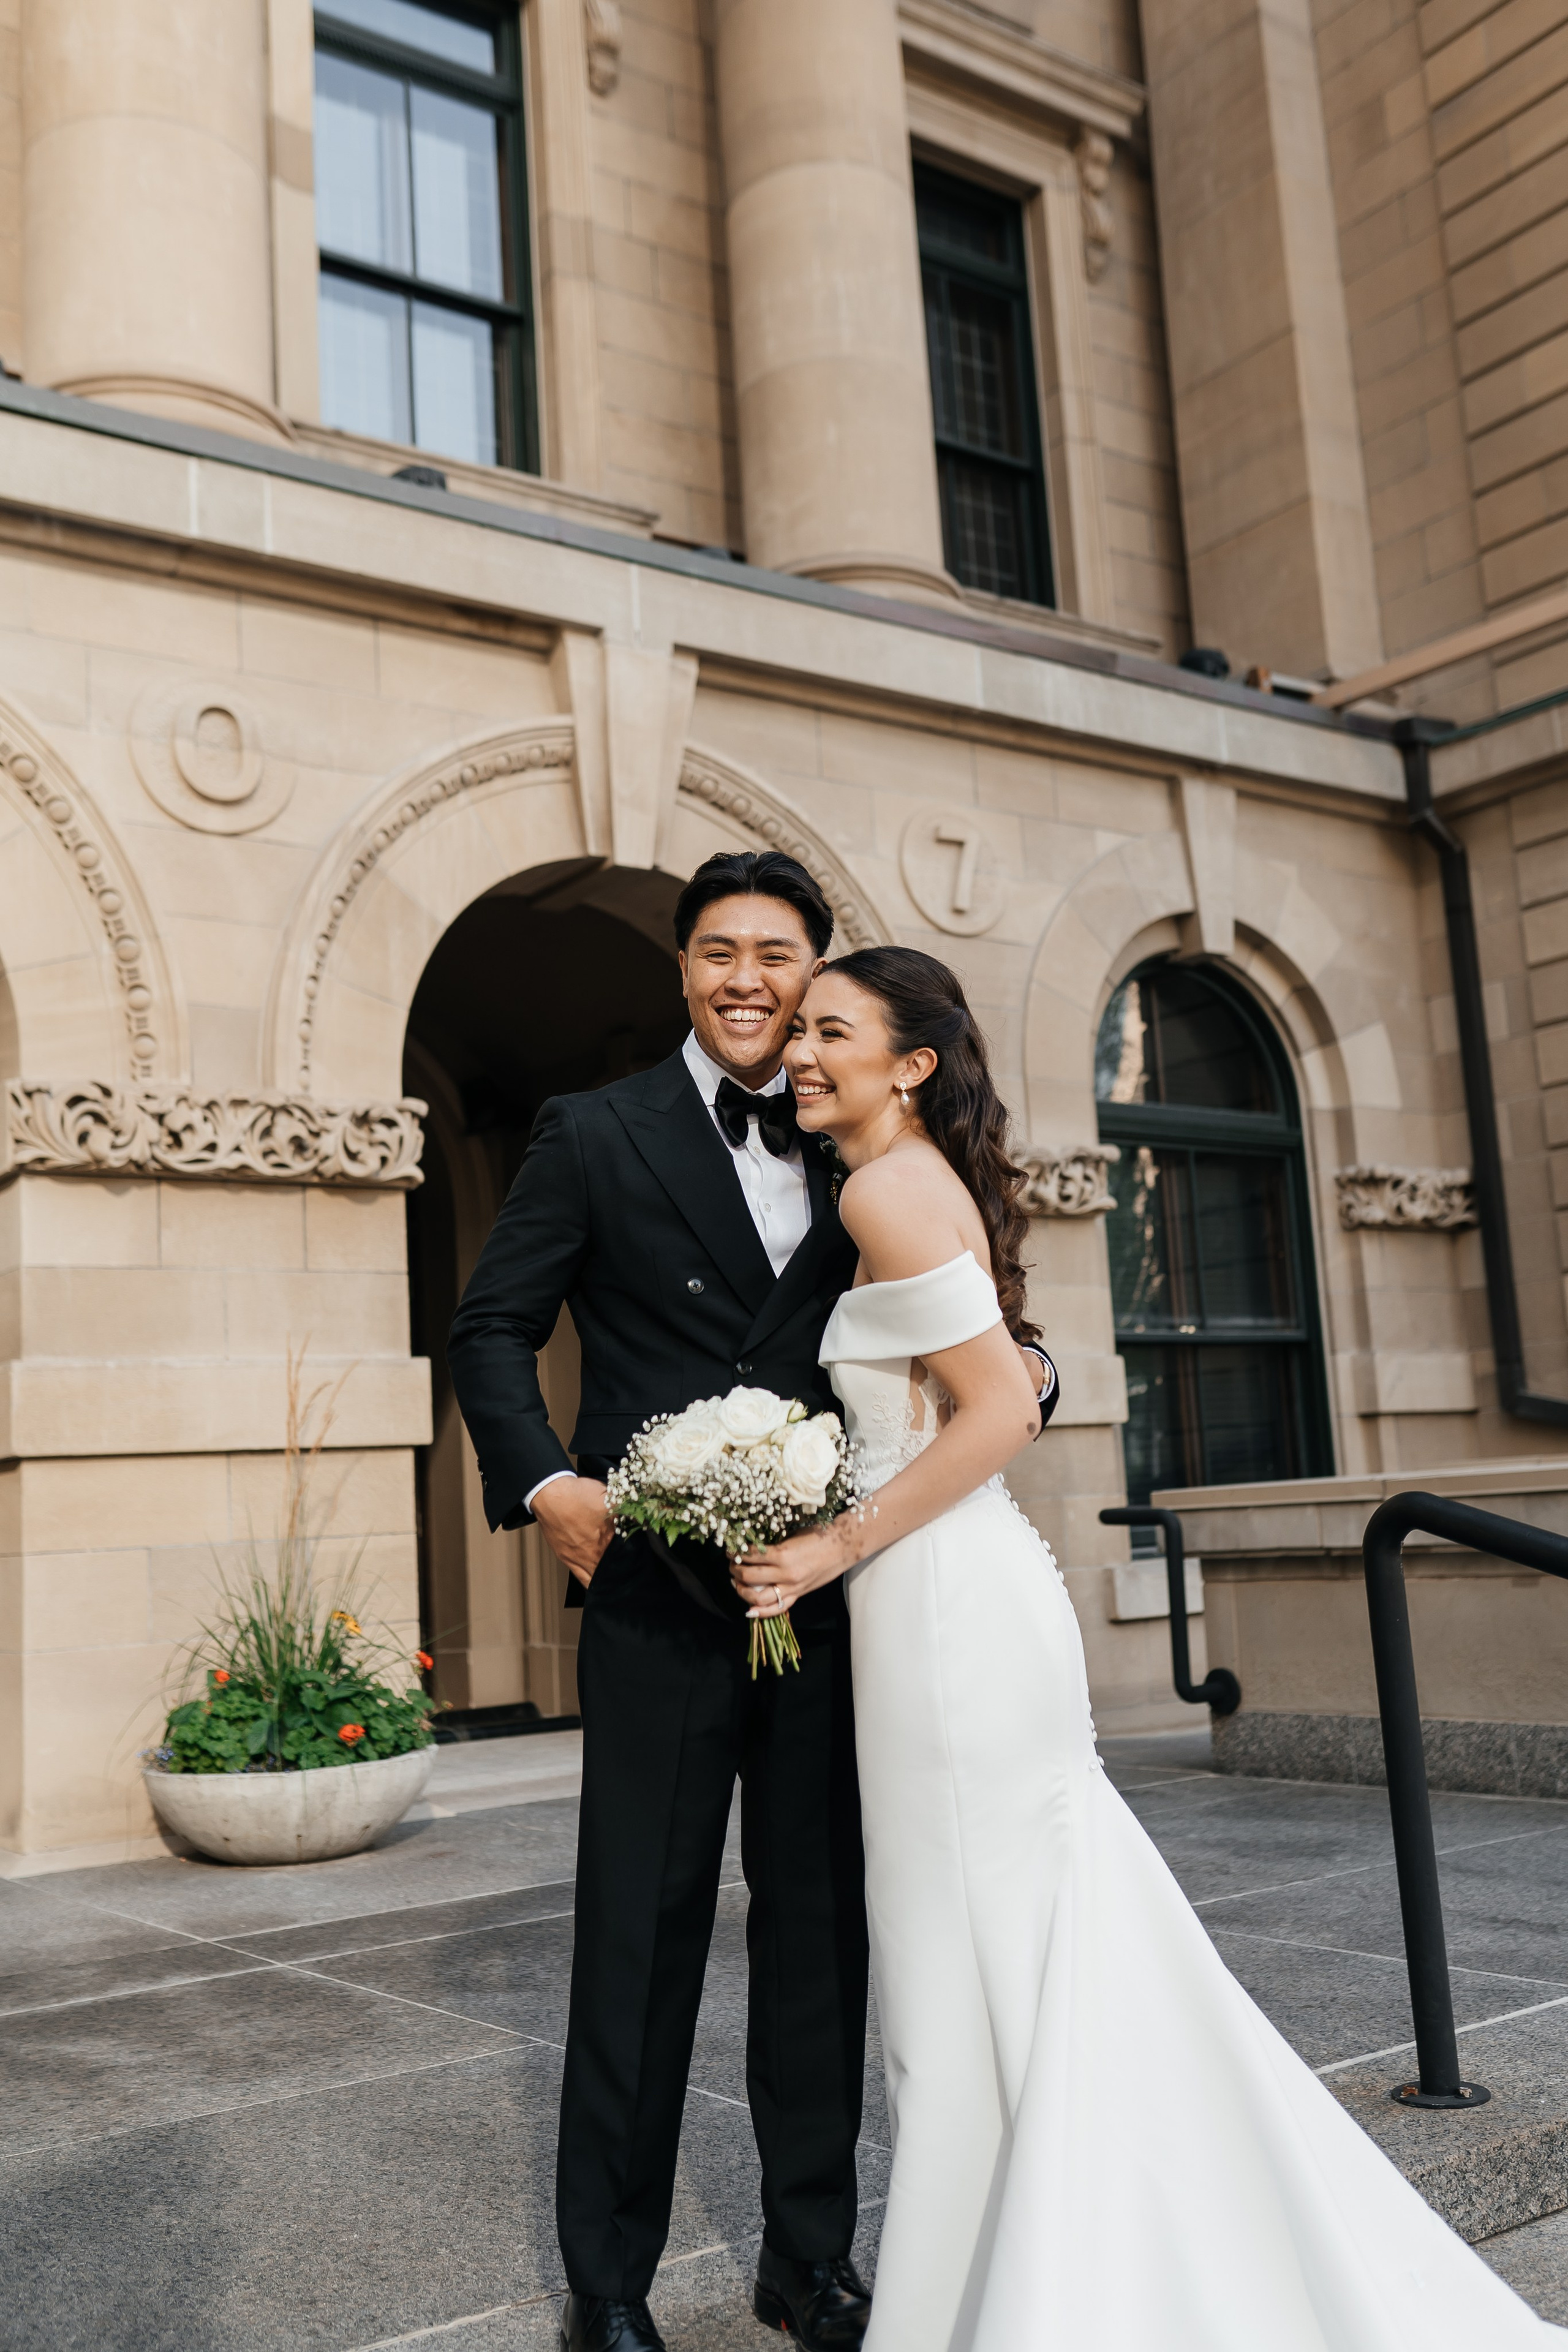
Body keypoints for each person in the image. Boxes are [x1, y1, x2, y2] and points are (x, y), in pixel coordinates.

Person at [733, 943, 1566, 2352]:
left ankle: (1014, 2289)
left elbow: (1001, 1410)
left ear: (910, 1063)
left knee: (962, 1954)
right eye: (798, 1030)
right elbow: (987, 1383)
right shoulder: (904, 1180)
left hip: (939, 1606)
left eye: (830, 1031)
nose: (799, 1052)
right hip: (945, 1592)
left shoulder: (882, 1190)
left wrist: (828, 1544)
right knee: (991, 1944)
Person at [447, 854, 1055, 2352]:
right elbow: (492, 1327)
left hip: (840, 1604)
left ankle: (810, 2259)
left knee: (818, 1934)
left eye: (774, 955)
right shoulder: (592, 1132)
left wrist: (1030, 1376)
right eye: (716, 950)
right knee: (638, 1935)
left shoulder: (861, 1137)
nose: (744, 979)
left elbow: (975, 1329)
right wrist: (548, 1484)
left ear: (811, 977)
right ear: (680, 970)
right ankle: (608, 2287)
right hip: (654, 1596)